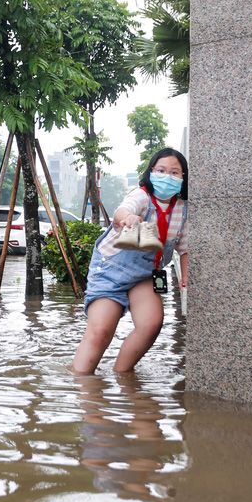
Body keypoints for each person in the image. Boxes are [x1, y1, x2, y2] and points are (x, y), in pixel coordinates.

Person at [74, 148, 189, 374]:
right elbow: (122, 210)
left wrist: (185, 278)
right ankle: (82, 386)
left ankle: (123, 377)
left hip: (146, 275)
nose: (168, 176)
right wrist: (127, 218)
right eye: (161, 170)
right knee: (100, 332)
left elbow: (185, 249)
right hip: (111, 269)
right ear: (151, 172)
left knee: (151, 325)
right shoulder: (142, 196)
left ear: (183, 178)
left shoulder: (183, 209)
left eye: (175, 172)